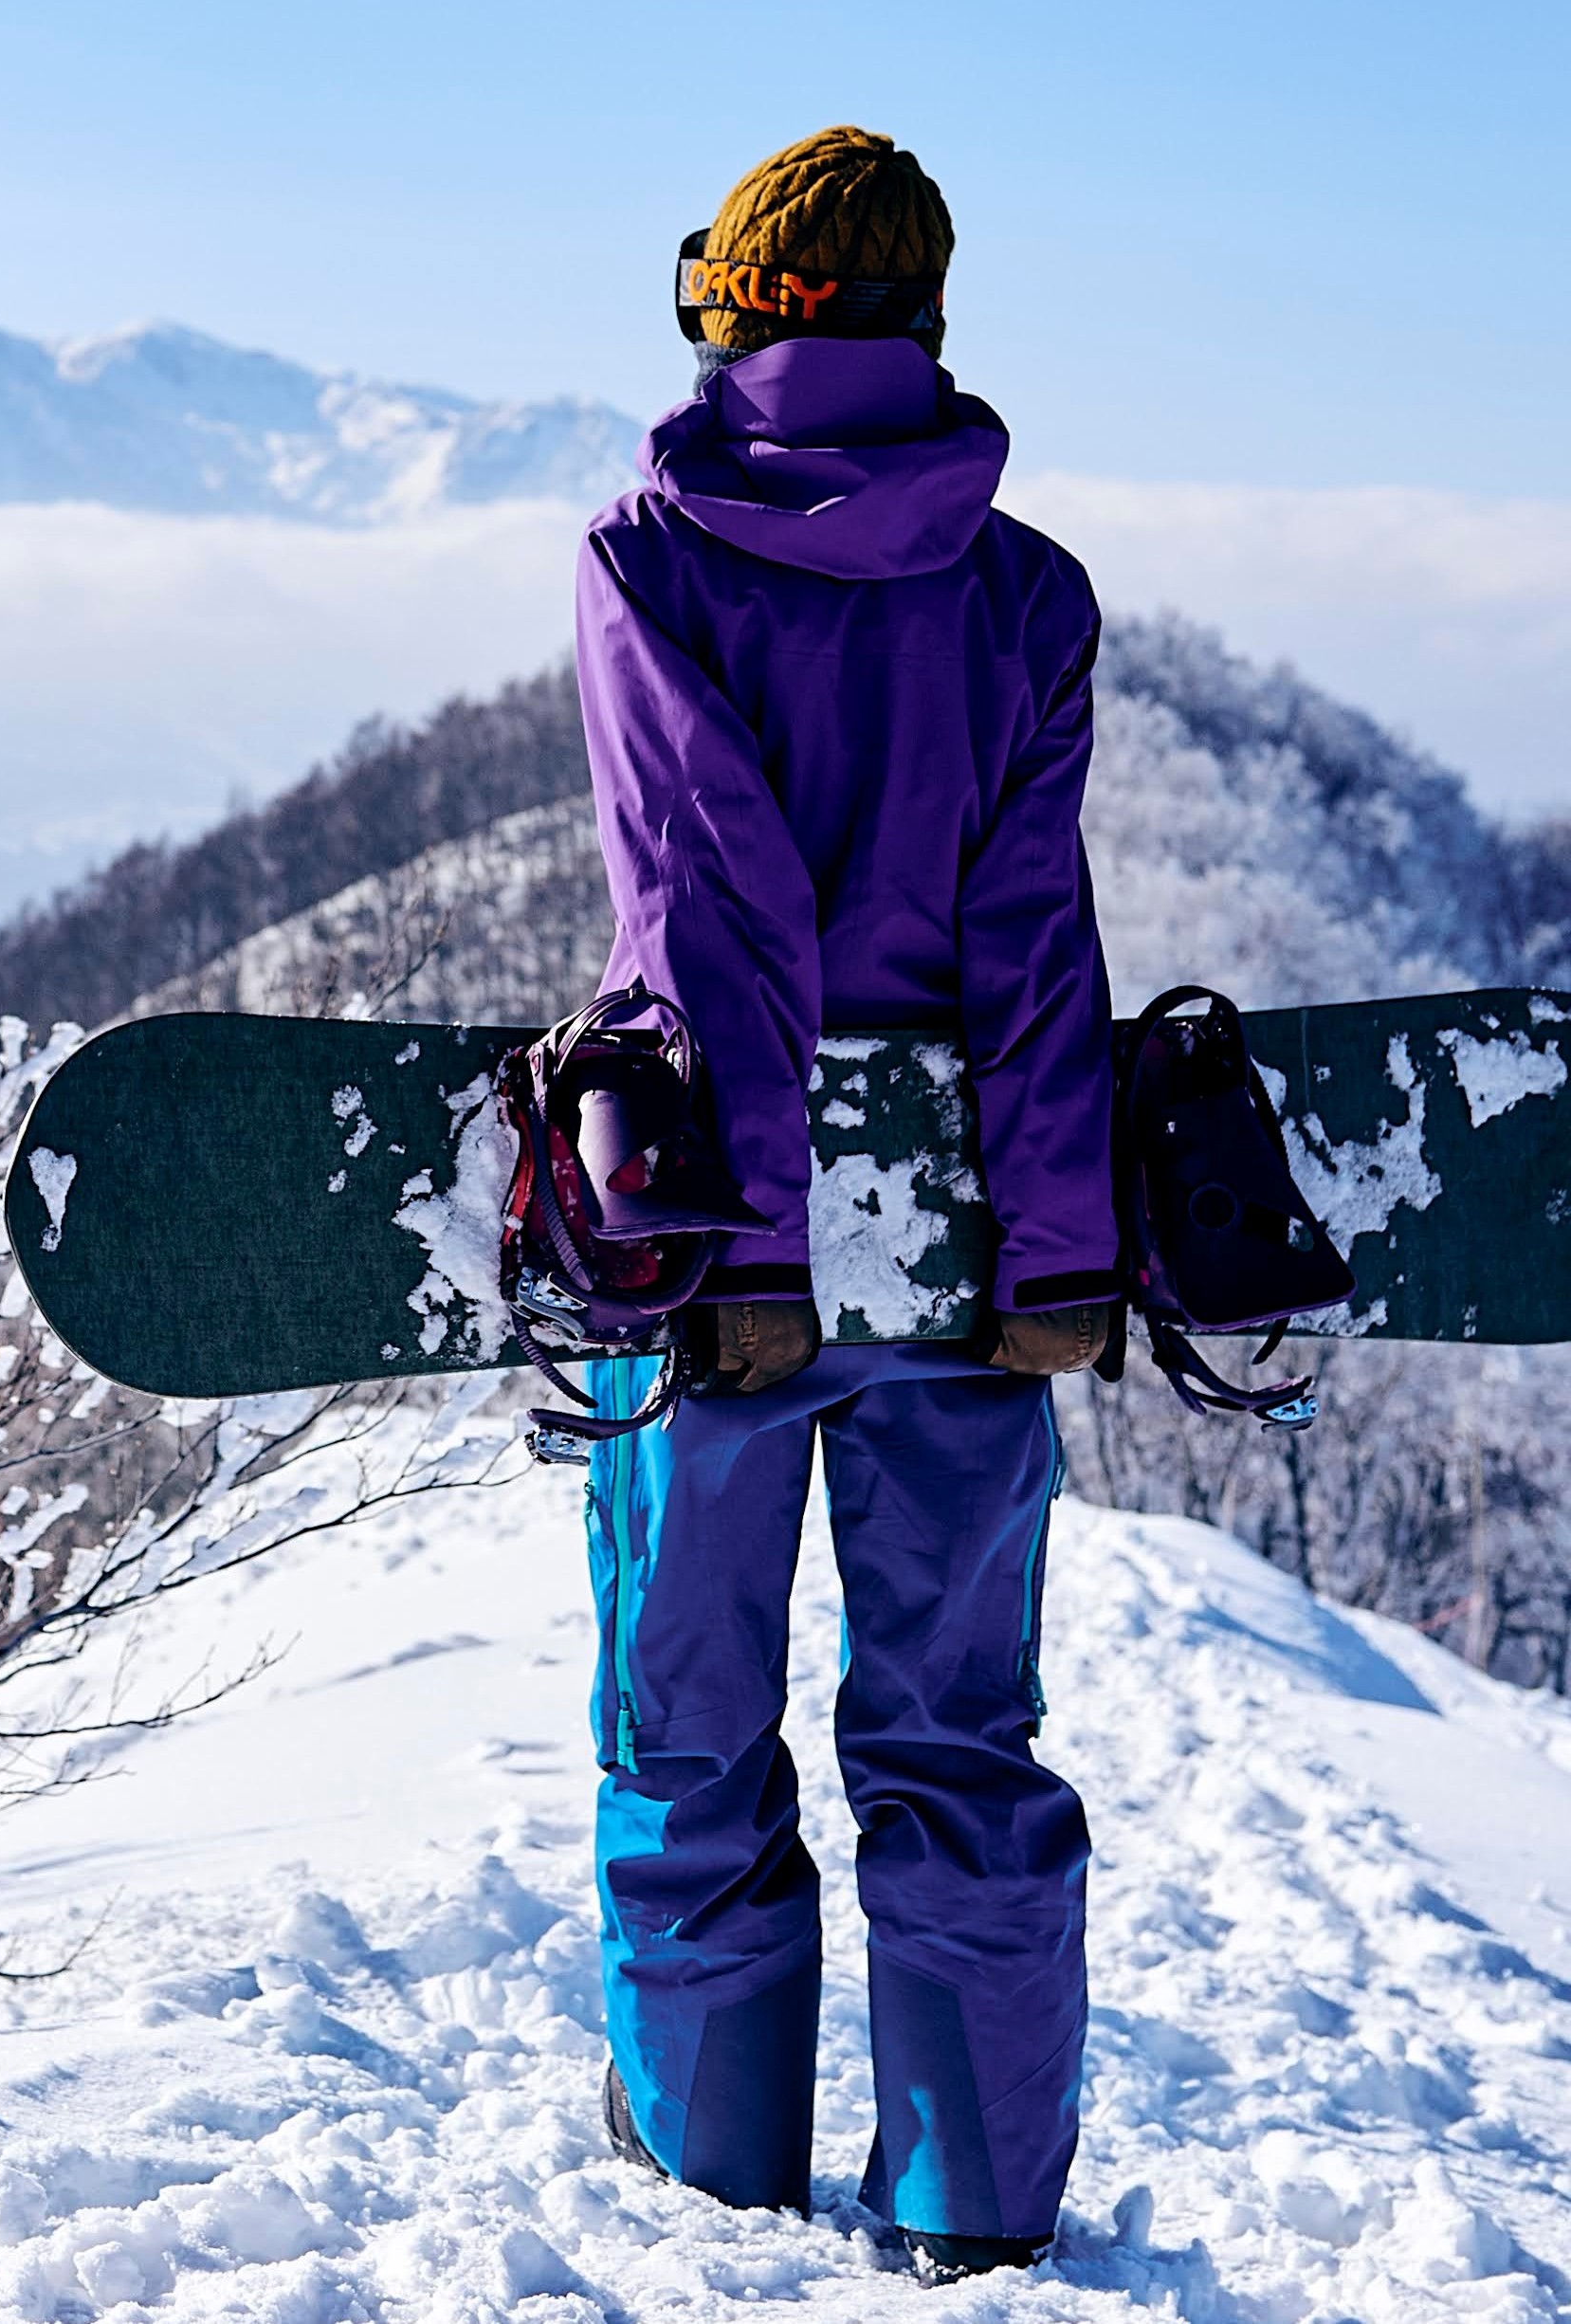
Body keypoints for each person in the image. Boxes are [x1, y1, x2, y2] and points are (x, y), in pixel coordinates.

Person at [570, 125, 1123, 2281]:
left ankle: (712, 2193)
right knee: (960, 1741)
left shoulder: (652, 558)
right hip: (972, 1257)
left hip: (720, 1242)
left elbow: (709, 904)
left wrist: (744, 1248)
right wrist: (1057, 1247)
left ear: (729, 305)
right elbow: (1031, 937)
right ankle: (972, 2210)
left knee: (689, 1727)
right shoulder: (1024, 592)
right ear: (925, 318)